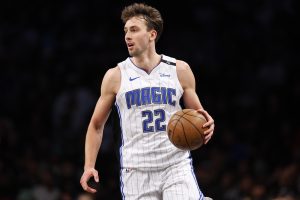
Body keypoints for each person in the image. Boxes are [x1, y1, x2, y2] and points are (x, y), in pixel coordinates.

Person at [80, 3, 215, 200]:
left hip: (175, 164)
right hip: (136, 170)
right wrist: (89, 166)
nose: (127, 36)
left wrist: (207, 123)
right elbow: (96, 126)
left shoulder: (180, 70)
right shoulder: (115, 76)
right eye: (125, 31)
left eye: (134, 30)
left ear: (152, 34)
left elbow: (198, 116)